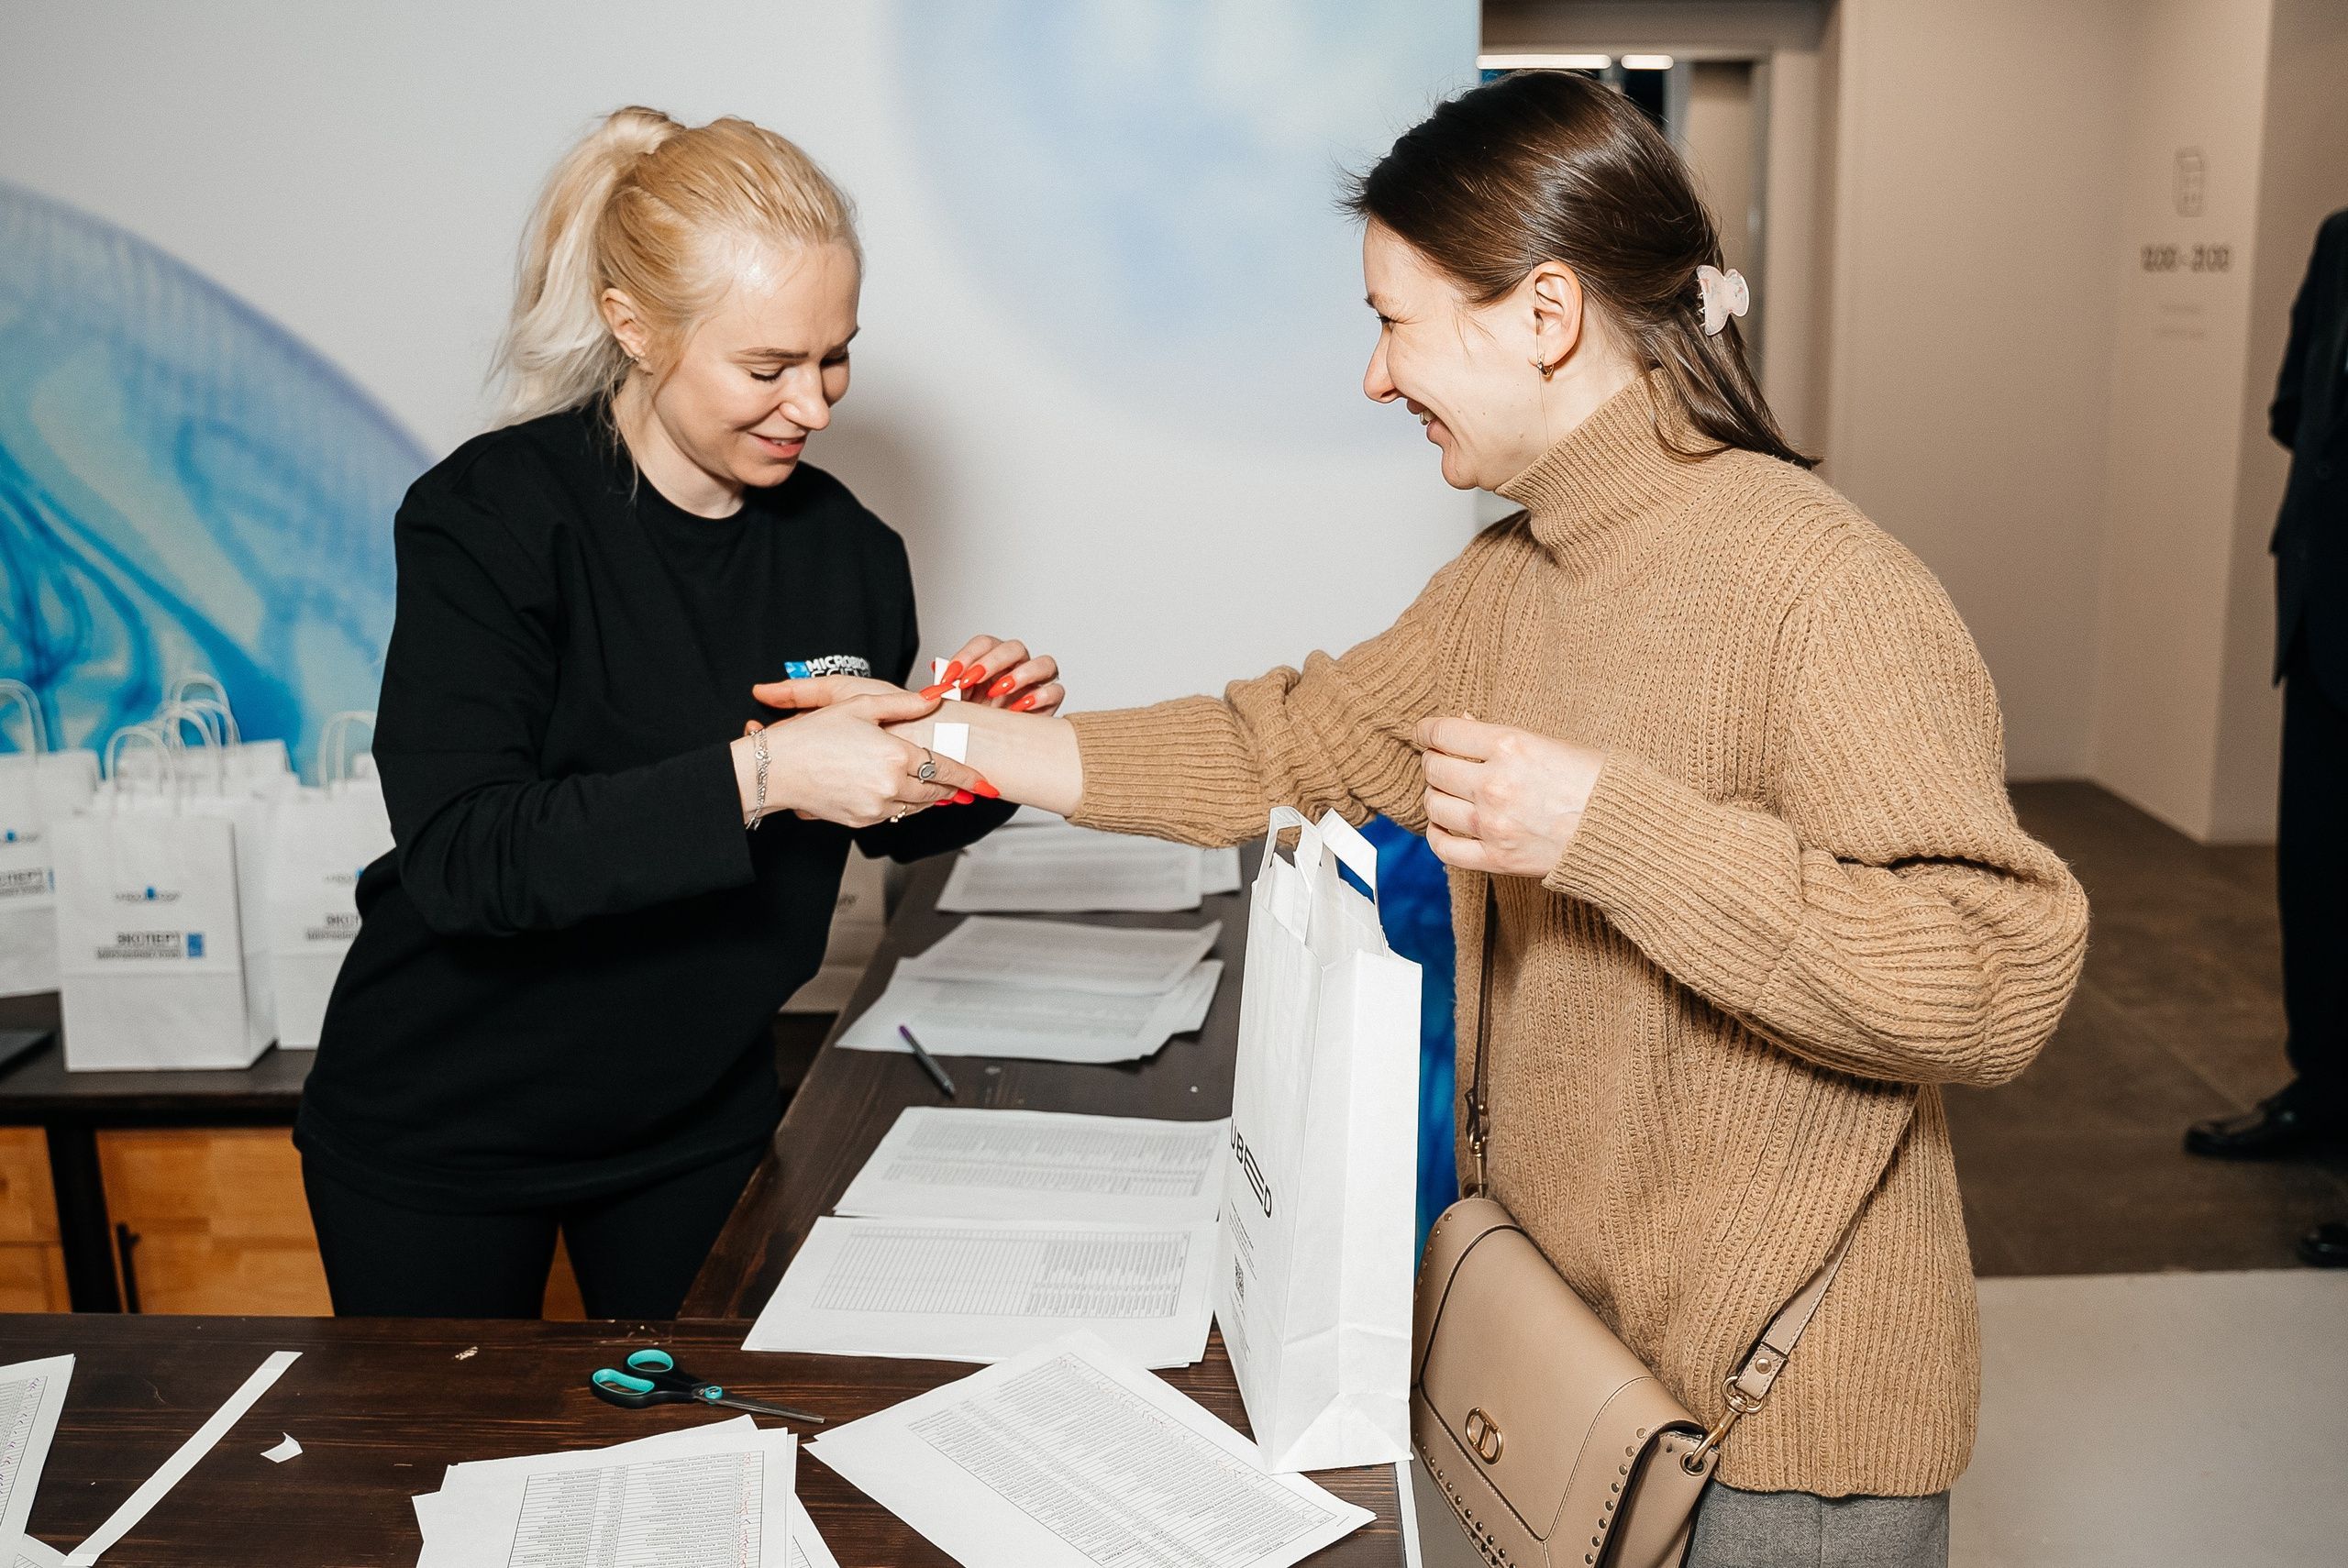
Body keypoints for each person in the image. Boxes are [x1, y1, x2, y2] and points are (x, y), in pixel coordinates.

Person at [763, 72, 2087, 1565]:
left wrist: (1612, 832)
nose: (1376, 377)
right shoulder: (1507, 582)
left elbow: (1993, 979)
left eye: (1395, 320)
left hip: (1783, 1430)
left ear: (1544, 313)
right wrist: (945, 739)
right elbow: (1276, 744)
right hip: (1578, 1362)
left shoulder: (1828, 589)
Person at [295, 108, 1061, 1320]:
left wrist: (973, 744)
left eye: (836, 356)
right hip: (449, 1122)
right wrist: (767, 774)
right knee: (441, 1478)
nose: (812, 405)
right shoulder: (493, 517)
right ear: (634, 326)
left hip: (695, 1116)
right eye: (766, 367)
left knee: (700, 1457)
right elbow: (466, 857)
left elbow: (888, 821)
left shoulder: (850, 551)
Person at [2186, 209, 2348, 1268]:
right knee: (2319, 878)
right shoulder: (2338, 238)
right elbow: (2299, 406)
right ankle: (2324, 1088)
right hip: (2325, 611)